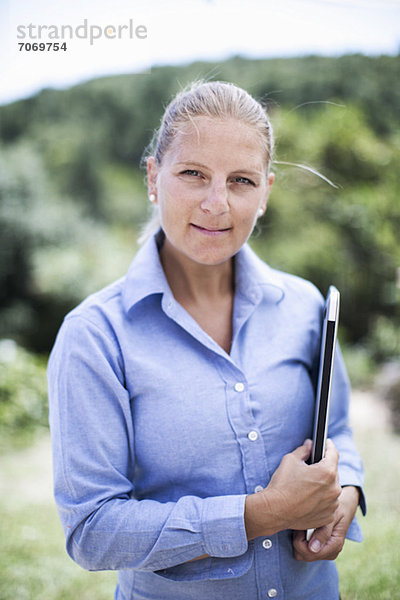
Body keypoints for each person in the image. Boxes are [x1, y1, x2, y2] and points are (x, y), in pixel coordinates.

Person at [48, 80, 366, 600]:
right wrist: (264, 514)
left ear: (265, 193)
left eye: (240, 180)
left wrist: (346, 487)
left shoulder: (305, 306)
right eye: (193, 174)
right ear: (153, 177)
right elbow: (92, 531)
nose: (216, 204)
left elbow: (338, 429)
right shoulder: (94, 336)